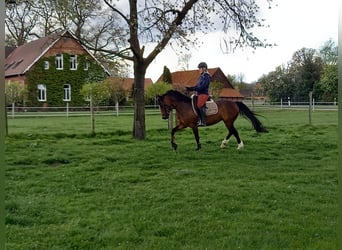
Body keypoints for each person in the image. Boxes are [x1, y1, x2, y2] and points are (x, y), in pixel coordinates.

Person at [186, 62, 211, 126]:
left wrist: (193, 89)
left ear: (204, 69)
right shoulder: (201, 77)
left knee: (199, 104)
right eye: (199, 68)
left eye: (200, 68)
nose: (199, 70)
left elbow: (202, 87)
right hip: (199, 94)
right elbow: (197, 86)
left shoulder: (207, 77)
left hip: (204, 94)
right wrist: (190, 88)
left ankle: (203, 121)